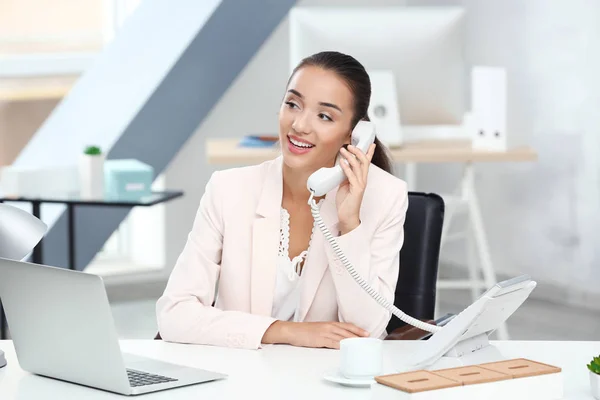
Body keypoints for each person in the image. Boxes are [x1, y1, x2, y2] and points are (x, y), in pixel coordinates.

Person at [156, 51, 408, 350]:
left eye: (324, 116)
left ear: (353, 135)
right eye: (292, 104)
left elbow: (367, 331)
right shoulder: (229, 189)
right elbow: (174, 315)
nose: (300, 125)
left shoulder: (386, 197)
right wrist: (283, 331)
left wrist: (349, 223)